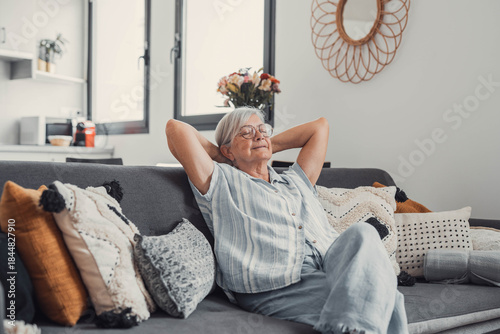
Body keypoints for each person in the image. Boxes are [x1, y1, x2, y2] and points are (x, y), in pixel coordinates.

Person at [166, 107, 408, 334]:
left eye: (262, 130)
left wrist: (264, 144)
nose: (258, 135)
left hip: (330, 266)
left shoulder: (295, 181)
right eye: (246, 132)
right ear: (228, 150)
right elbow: (176, 129)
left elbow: (320, 127)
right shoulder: (221, 180)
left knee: (363, 233)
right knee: (387, 301)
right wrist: (223, 156)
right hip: (275, 281)